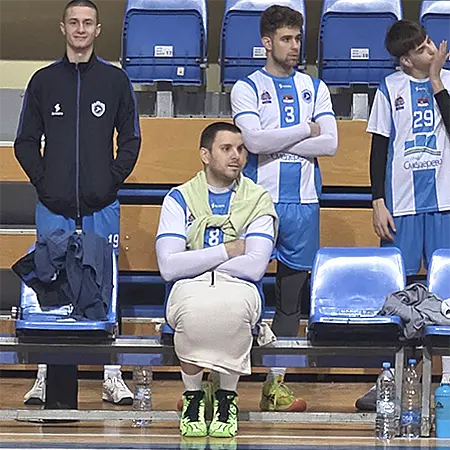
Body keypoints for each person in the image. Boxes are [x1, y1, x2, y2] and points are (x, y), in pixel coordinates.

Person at [14, 0, 140, 409]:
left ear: (98, 30)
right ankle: (44, 375)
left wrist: (109, 181)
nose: (81, 29)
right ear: (63, 28)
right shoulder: (43, 81)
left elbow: (131, 140)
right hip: (54, 205)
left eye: (88, 23)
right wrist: (46, 184)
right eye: (74, 22)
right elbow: (25, 142)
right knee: (49, 282)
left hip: (102, 205)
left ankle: (111, 376)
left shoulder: (115, 80)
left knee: (104, 283)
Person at [230, 5, 338, 412]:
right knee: (242, 293)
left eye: (298, 38)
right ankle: (224, 385)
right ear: (267, 42)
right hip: (258, 203)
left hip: (304, 204)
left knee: (291, 301)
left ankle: (275, 386)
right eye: (286, 39)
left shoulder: (316, 87)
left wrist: (277, 138)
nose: (295, 46)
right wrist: (306, 129)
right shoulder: (246, 87)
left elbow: (330, 144)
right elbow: (253, 143)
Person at [156, 122, 277, 438]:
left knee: (231, 308)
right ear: (205, 155)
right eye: (226, 149)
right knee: (195, 310)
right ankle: (193, 396)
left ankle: (227, 397)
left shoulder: (258, 199)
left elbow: (255, 267)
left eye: (241, 149)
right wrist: (228, 250)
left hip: (241, 286)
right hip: (188, 286)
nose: (236, 156)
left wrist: (196, 261)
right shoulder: (179, 198)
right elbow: (168, 267)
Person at [355, 20, 450, 411]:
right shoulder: (389, 88)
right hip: (401, 206)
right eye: (423, 48)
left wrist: (436, 80)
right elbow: (379, 149)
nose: (432, 50)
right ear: (406, 60)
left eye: (430, 43)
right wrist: (377, 200)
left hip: (444, 203)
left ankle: (447, 379)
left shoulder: (447, 80)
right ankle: (391, 377)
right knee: (399, 293)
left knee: (446, 291)